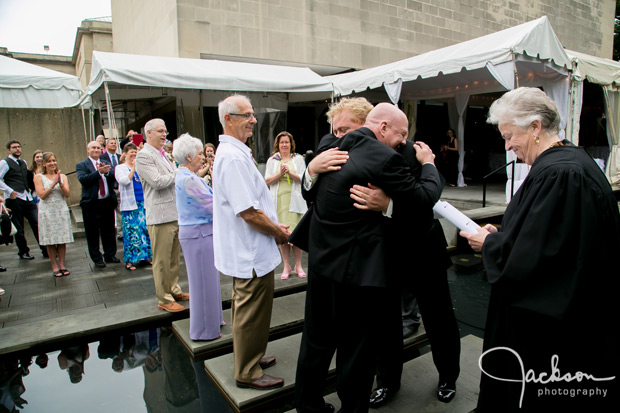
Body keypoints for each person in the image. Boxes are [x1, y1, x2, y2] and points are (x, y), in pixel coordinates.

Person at [460, 87, 620, 412]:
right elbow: (551, 237)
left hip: (547, 339)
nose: (507, 146)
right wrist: (504, 233)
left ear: (535, 127)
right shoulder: (569, 164)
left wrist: (489, 244)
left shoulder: (561, 174)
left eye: (509, 136)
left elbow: (540, 263)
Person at [292, 103, 441, 412]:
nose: (404, 141)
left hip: (329, 263)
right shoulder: (374, 155)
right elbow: (424, 199)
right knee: (354, 350)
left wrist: (387, 204)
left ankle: (310, 404)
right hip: (356, 273)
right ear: (382, 127)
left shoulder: (337, 146)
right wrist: (429, 165)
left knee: (318, 341)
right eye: (401, 133)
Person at [213, 95, 290, 390]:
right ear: (228, 119)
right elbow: (248, 212)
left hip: (251, 246)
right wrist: (278, 232)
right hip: (249, 250)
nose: (253, 120)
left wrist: (272, 225)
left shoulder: (236, 152)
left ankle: (252, 355)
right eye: (246, 115)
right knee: (249, 310)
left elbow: (254, 205)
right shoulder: (232, 156)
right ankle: (246, 371)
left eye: (252, 115)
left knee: (251, 309)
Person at [173, 133, 224, 341]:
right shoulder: (188, 179)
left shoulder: (188, 176)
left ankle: (213, 321)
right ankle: (204, 331)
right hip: (198, 234)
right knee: (202, 283)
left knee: (208, 281)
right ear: (188, 156)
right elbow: (212, 204)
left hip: (200, 233)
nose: (203, 157)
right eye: (200, 153)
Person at [135, 119, 188, 313]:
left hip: (173, 212)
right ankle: (164, 298)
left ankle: (173, 289)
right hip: (160, 215)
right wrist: (180, 173)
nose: (164, 134)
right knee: (161, 260)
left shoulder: (163, 154)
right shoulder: (143, 156)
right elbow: (157, 181)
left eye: (165, 131)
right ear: (148, 133)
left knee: (173, 258)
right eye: (160, 131)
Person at [264, 132, 308, 279]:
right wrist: (280, 174)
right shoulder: (272, 160)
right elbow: (267, 181)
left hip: (295, 202)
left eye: (287, 142)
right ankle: (286, 267)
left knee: (296, 234)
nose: (284, 145)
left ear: (291, 144)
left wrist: (289, 173)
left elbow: (304, 179)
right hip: (279, 202)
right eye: (282, 142)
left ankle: (298, 265)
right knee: (283, 236)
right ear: (278, 144)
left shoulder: (298, 159)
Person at [0, 140, 47, 259]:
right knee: (19, 227)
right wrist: (9, 191)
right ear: (9, 150)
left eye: (19, 147)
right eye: (14, 147)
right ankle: (23, 251)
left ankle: (45, 249)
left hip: (27, 197)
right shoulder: (5, 163)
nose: (17, 149)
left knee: (37, 223)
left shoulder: (23, 162)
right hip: (14, 198)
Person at [76, 141, 120, 268]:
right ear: (88, 149)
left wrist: (106, 172)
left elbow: (113, 176)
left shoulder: (106, 163)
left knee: (109, 231)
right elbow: (83, 179)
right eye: (93, 148)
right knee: (92, 233)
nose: (96, 150)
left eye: (98, 148)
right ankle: (97, 258)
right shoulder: (82, 165)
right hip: (91, 204)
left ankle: (110, 254)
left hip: (107, 202)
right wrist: (98, 172)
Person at [33, 152, 73, 277]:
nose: (52, 163)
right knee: (50, 240)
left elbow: (67, 194)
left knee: (61, 240)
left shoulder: (63, 176)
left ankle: (62, 264)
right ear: (44, 164)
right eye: (49, 161)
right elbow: (42, 196)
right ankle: (54, 266)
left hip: (60, 209)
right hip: (47, 211)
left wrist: (60, 183)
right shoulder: (38, 177)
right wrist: (52, 184)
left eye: (54, 160)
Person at [114, 143, 153, 271]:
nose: (133, 155)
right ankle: (130, 260)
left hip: (143, 203)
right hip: (130, 205)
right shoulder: (120, 168)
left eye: (135, 153)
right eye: (131, 153)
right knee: (131, 232)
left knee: (144, 230)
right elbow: (124, 181)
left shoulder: (141, 168)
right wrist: (134, 169)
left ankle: (146, 257)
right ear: (125, 154)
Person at [101, 138, 122, 238]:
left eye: (115, 143)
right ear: (106, 146)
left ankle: (120, 233)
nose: (113, 145)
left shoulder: (120, 157)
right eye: (111, 143)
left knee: (120, 210)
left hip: (119, 187)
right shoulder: (102, 157)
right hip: (109, 187)